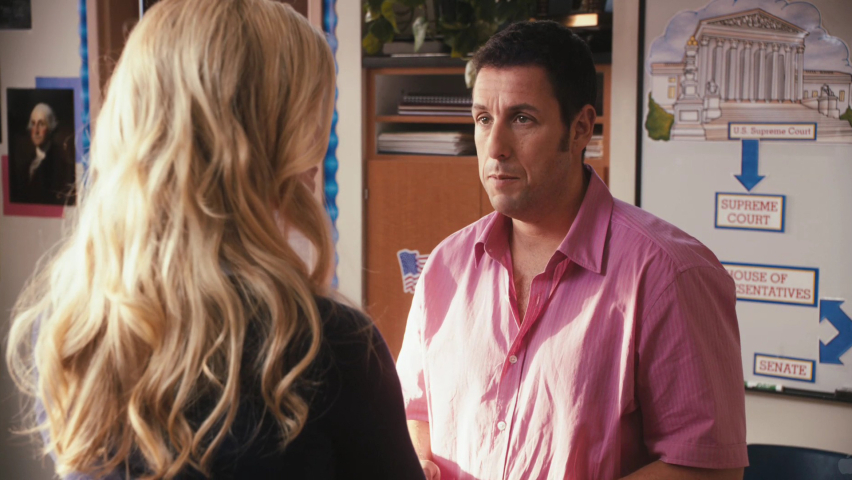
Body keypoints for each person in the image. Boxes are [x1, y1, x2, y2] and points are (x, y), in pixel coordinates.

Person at [6, 1, 425, 479]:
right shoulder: (331, 349)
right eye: (307, 124)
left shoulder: (73, 331)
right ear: (258, 144)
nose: (316, 156)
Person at [397, 21, 748, 480]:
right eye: (483, 119)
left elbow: (708, 470)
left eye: (522, 119)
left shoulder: (669, 273)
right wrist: (418, 460)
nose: (495, 148)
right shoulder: (447, 264)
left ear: (581, 127)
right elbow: (415, 410)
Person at [10, 102, 76, 205]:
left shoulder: (61, 165)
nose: (36, 131)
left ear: (50, 128)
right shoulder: (25, 166)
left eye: (41, 124)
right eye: (33, 124)